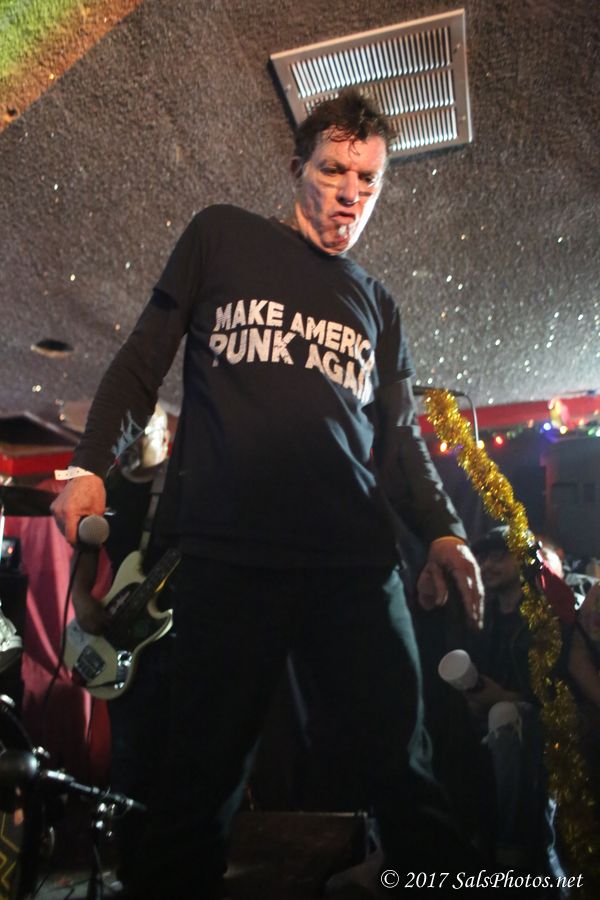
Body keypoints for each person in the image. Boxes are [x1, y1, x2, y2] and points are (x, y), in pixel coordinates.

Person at [51, 90, 483, 899]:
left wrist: (445, 532)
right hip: (229, 562)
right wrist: (87, 468)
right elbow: (142, 362)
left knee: (406, 777)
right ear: (296, 168)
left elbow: (401, 444)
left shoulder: (379, 305)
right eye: (333, 170)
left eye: (368, 178)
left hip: (353, 569)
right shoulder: (221, 236)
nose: (351, 193)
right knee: (198, 791)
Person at [69, 403, 174, 889]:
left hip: (176, 636)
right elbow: (87, 547)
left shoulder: (180, 484)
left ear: (163, 434)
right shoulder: (107, 484)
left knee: (179, 758)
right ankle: (133, 872)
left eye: (141, 430)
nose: (130, 439)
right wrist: (81, 600)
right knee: (131, 760)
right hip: (124, 640)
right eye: (125, 431)